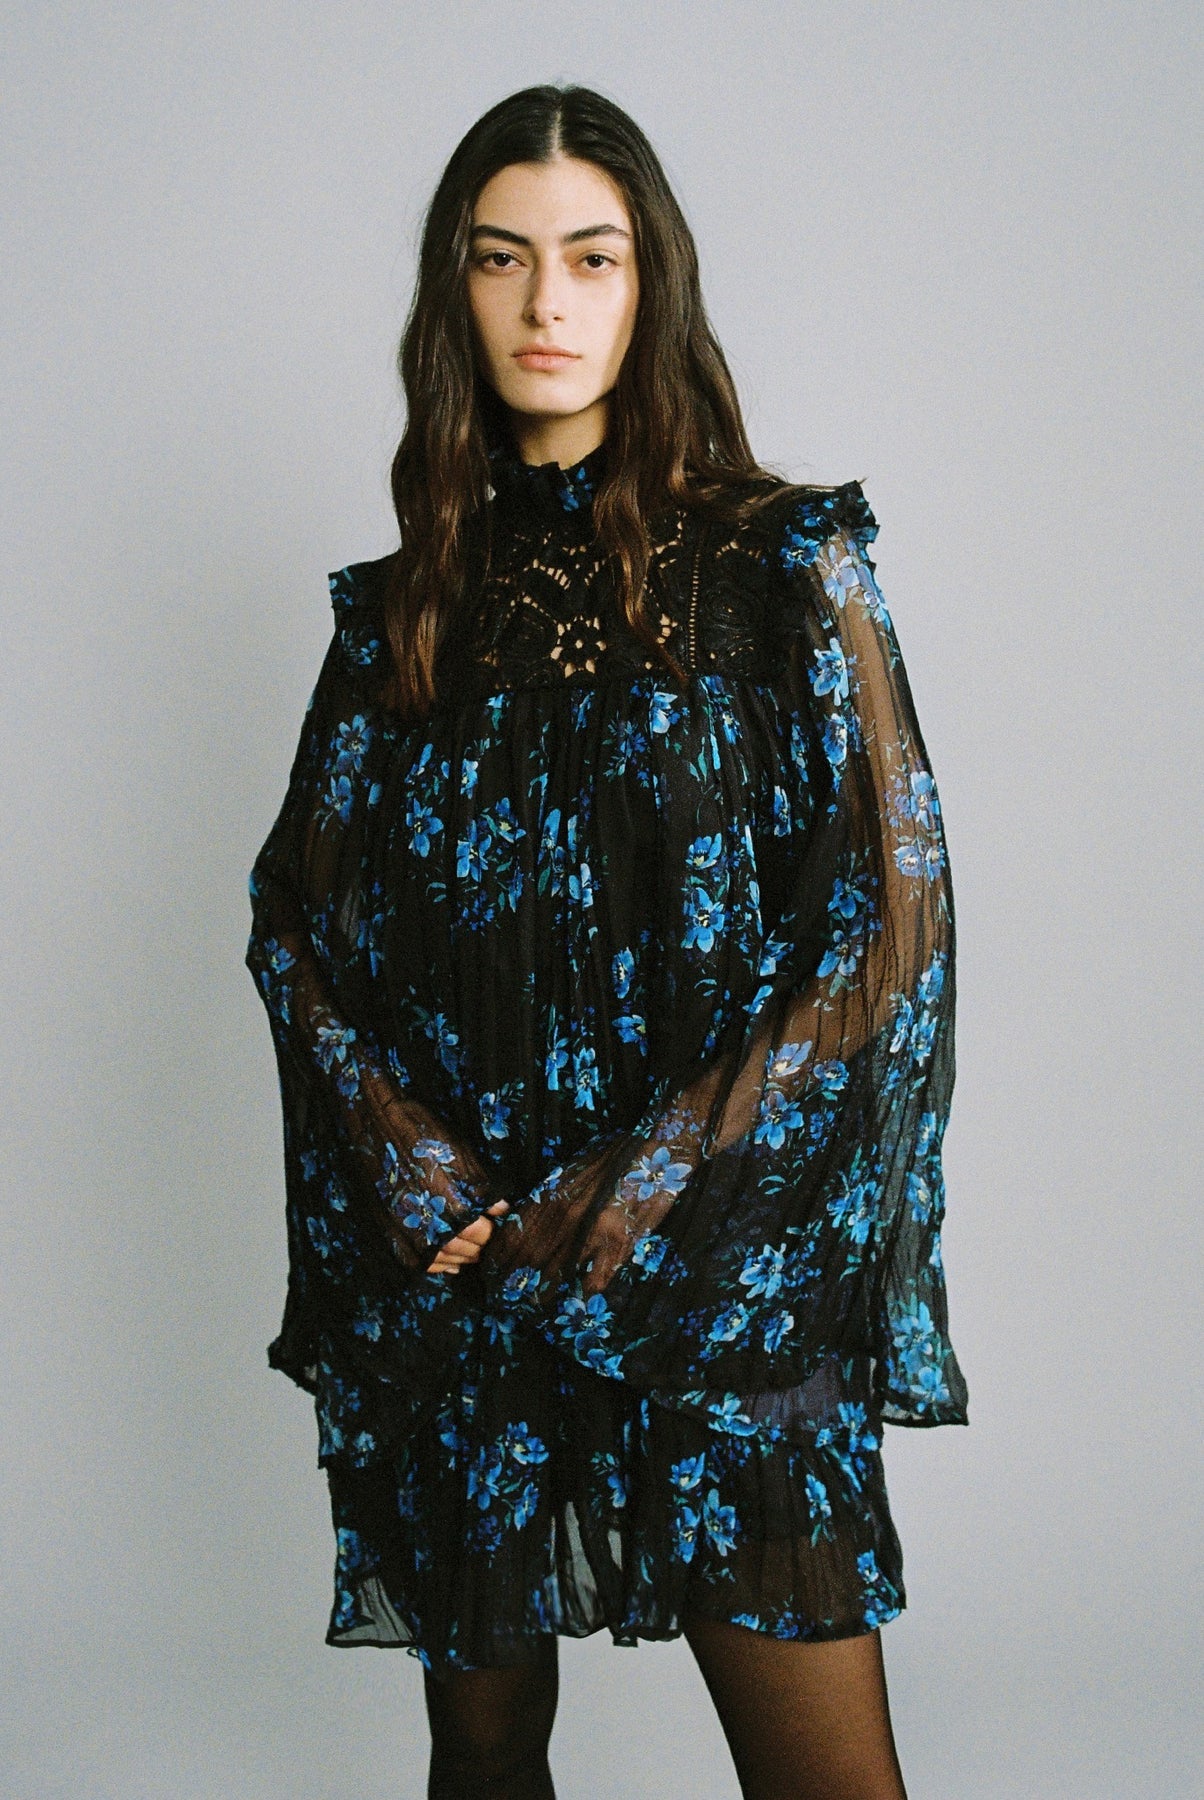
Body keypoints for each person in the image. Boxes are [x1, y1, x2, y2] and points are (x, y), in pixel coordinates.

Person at [245, 81, 969, 1800]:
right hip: (476, 1268)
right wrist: (408, 1162)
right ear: (455, 291)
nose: (546, 304)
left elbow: (887, 922)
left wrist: (643, 1190)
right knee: (485, 1756)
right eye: (501, 259)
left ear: (653, 288)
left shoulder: (786, 569)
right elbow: (295, 919)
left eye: (591, 257)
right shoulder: (402, 610)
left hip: (712, 1258)